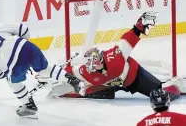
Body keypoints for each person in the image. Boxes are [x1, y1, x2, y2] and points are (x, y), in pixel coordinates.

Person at [43, 11, 181, 101]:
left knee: (161, 95)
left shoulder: (115, 58)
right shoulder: (86, 70)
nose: (94, 66)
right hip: (111, 84)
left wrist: (140, 25)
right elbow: (71, 72)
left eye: (96, 63)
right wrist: (59, 74)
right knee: (87, 89)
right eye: (92, 66)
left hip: (133, 78)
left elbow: (128, 40)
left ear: (102, 58)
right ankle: (108, 90)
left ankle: (179, 85)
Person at [0, 19, 85, 118]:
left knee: (12, 83)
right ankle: (74, 81)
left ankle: (29, 106)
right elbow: (24, 30)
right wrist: (23, 47)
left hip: (13, 65)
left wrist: (7, 70)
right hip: (26, 47)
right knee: (46, 68)